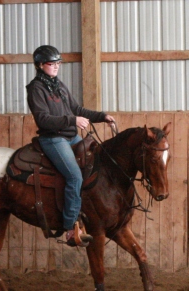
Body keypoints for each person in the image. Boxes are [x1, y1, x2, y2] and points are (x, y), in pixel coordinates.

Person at [26, 45, 115, 247]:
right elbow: (43, 119)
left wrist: (102, 117)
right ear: (40, 65)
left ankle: (89, 213)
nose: (56, 67)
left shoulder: (58, 85)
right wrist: (72, 121)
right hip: (53, 139)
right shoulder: (36, 88)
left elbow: (77, 108)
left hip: (70, 136)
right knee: (74, 176)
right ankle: (69, 228)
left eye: (58, 63)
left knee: (95, 166)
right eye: (52, 63)